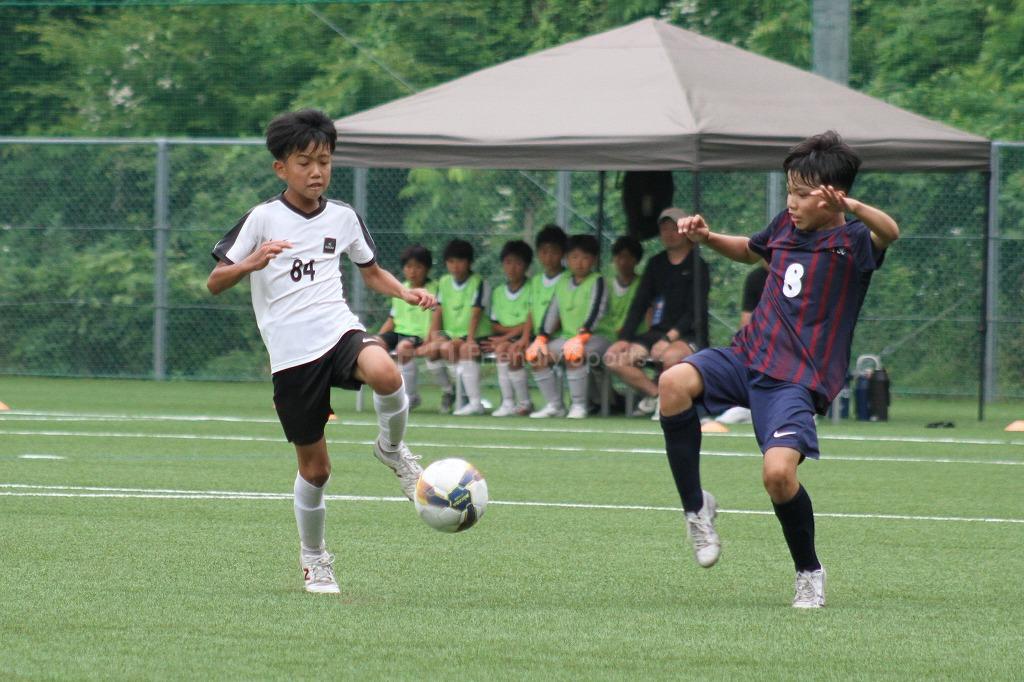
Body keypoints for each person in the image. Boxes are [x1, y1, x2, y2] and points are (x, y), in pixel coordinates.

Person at [659, 131, 899, 608]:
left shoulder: (853, 241)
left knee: (778, 476)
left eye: (802, 194)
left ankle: (809, 571)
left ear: (833, 196)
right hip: (748, 356)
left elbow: (889, 232)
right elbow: (751, 250)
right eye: (790, 190)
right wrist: (707, 238)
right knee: (672, 382)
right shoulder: (786, 226)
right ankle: (696, 509)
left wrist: (853, 207)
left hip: (795, 379)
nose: (791, 202)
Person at [206, 109, 435, 594]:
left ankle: (392, 450)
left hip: (338, 331)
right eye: (305, 162)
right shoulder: (263, 218)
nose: (316, 172)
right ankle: (314, 558)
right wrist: (251, 262)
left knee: (386, 372)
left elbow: (371, 271)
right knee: (317, 470)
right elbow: (215, 281)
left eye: (324, 162)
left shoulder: (343, 217)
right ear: (281, 168)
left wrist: (404, 292)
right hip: (292, 356)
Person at [603, 208, 710, 417]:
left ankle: (667, 405)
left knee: (670, 357)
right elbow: (639, 304)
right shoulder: (655, 263)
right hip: (657, 334)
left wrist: (668, 339)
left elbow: (694, 312)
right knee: (613, 358)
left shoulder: (699, 265)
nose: (669, 234)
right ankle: (657, 395)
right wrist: (624, 338)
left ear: (686, 231)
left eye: (674, 228)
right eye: (664, 229)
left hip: (688, 335)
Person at [526, 234, 608, 419]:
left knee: (573, 354)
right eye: (574, 257)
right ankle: (555, 405)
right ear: (567, 259)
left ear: (594, 260)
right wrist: (541, 337)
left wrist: (582, 337)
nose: (579, 262)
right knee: (536, 356)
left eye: (585, 257)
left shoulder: (597, 280)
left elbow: (597, 311)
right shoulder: (562, 282)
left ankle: (579, 406)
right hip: (567, 338)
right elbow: (552, 311)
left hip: (597, 338)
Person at [420, 238, 492, 416]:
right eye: (451, 261)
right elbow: (438, 311)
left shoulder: (479, 283)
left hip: (476, 336)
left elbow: (476, 313)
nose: (455, 266)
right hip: (451, 335)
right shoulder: (444, 282)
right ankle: (450, 391)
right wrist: (434, 337)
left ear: (469, 262)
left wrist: (469, 340)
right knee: (432, 350)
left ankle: (470, 400)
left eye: (460, 261)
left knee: (449, 348)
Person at [377, 244, 437, 411]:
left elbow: (436, 317)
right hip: (399, 333)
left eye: (418, 267)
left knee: (403, 348)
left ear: (427, 269)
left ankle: (410, 397)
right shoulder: (400, 289)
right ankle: (386, 395)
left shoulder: (434, 289)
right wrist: (376, 339)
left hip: (419, 335)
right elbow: (391, 320)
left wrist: (430, 339)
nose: (412, 271)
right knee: (373, 346)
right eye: (409, 266)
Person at [714, 261, 769, 425]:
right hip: (763, 340)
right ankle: (745, 404)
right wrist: (743, 343)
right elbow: (747, 319)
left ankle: (796, 408)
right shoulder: (755, 277)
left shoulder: (797, 274)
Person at [483, 239, 534, 416]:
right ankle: (508, 402)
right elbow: (494, 324)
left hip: (528, 337)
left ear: (527, 265)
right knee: (502, 349)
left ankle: (525, 403)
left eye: (518, 263)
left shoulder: (532, 288)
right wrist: (509, 334)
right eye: (508, 262)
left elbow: (530, 322)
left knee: (511, 351)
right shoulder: (498, 291)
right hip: (508, 338)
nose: (512, 268)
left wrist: (505, 336)